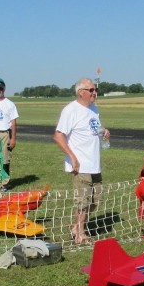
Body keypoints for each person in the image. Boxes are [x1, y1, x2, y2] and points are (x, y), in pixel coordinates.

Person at [53, 78, 109, 244]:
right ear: (80, 92)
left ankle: (76, 226)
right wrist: (72, 158)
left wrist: (104, 133)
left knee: (95, 200)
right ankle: (80, 234)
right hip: (81, 164)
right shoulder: (71, 110)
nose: (94, 93)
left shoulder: (94, 109)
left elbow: (95, 130)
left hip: (94, 164)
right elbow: (58, 136)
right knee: (82, 202)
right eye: (91, 90)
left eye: (95, 89)